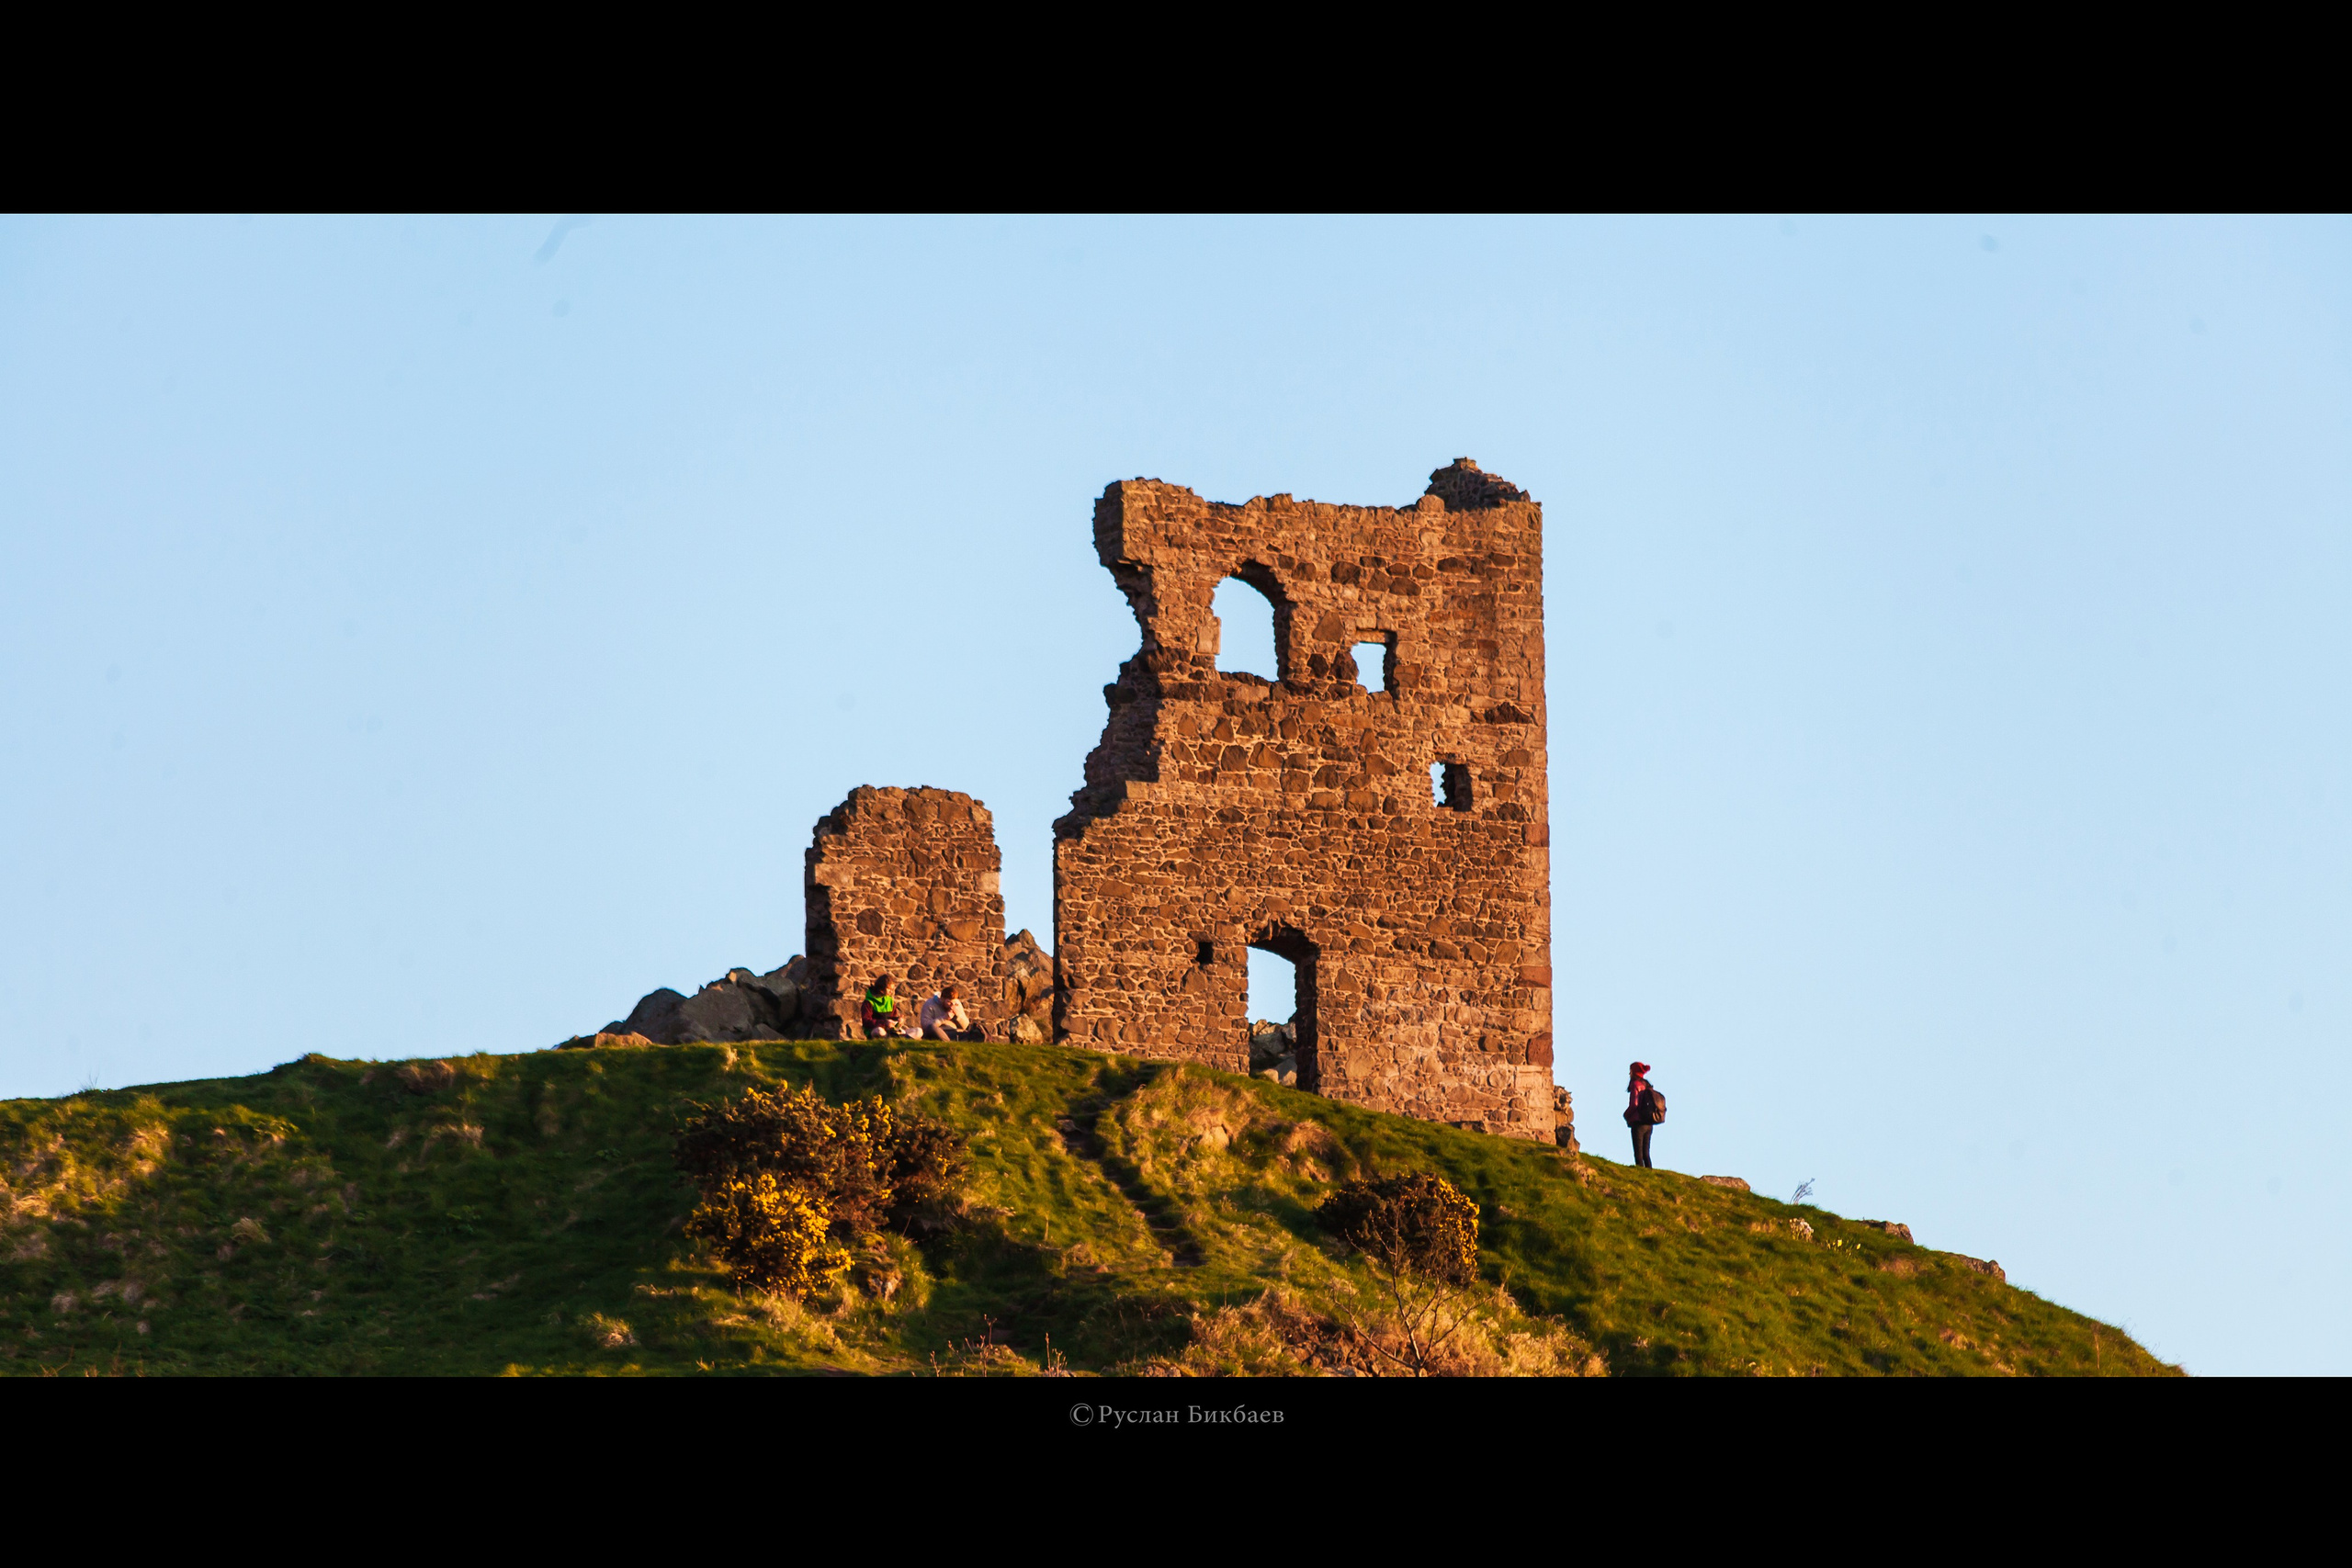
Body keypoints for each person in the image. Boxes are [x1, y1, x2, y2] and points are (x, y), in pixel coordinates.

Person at [1624, 1060, 1657, 1168]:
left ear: (1634, 1072)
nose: (1629, 1074)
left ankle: (1640, 1174)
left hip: (1638, 1123)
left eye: (1630, 1071)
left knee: (1638, 1153)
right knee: (1646, 1153)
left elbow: (1634, 1104)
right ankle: (1650, 1175)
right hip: (1649, 1123)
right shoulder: (1648, 1085)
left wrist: (1626, 1115)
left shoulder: (1635, 1084)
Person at [862, 974, 912, 1039]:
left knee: (918, 1031)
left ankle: (896, 1037)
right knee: (879, 1031)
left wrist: (898, 1021)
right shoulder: (868, 1002)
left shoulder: (890, 1001)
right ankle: (894, 1038)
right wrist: (884, 1023)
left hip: (890, 1030)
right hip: (874, 1030)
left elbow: (893, 1019)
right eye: (889, 989)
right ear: (881, 989)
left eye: (892, 989)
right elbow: (866, 1021)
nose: (891, 992)